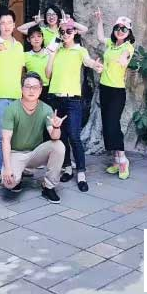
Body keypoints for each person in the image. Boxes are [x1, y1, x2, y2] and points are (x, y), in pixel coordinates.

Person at [46, 18, 103, 192]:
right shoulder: (56, 49)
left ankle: (81, 173)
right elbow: (48, 74)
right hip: (56, 98)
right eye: (62, 32)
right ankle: (67, 168)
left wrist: (96, 65)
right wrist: (52, 54)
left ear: (75, 32)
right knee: (60, 136)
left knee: (74, 136)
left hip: (73, 99)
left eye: (69, 31)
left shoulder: (79, 50)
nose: (65, 34)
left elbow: (88, 62)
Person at [1, 73, 67, 204]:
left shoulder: (46, 109)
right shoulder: (11, 109)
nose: (31, 91)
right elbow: (5, 140)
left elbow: (54, 136)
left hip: (35, 153)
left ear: (41, 90)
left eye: (35, 87)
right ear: (22, 89)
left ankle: (48, 186)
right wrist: (8, 168)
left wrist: (56, 127)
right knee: (9, 183)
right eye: (28, 86)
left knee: (58, 145)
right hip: (16, 153)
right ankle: (20, 173)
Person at [96, 11, 135, 180]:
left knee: (113, 125)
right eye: (117, 28)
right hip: (104, 88)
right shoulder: (111, 44)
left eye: (124, 29)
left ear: (129, 32)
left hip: (117, 91)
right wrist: (100, 20)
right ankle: (116, 161)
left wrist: (124, 61)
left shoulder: (127, 47)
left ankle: (123, 160)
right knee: (107, 125)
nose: (120, 31)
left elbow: (126, 57)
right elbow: (100, 38)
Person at [0, 8, 25, 179]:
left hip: (16, 96)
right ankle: (1, 169)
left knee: (15, 136)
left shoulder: (19, 46)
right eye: (2, 23)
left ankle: (15, 167)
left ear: (14, 25)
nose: (6, 26)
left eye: (9, 22)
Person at [18, 5, 88, 47]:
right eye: (48, 15)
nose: (51, 17)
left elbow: (85, 29)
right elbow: (20, 29)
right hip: (48, 63)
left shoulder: (64, 30)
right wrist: (35, 22)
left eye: (54, 14)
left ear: (58, 16)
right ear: (45, 17)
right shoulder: (42, 31)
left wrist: (70, 21)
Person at [24, 25, 50, 102]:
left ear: (43, 38)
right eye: (32, 37)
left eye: (39, 36)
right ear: (28, 39)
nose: (36, 39)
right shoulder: (25, 55)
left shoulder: (49, 54)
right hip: (30, 89)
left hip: (46, 90)